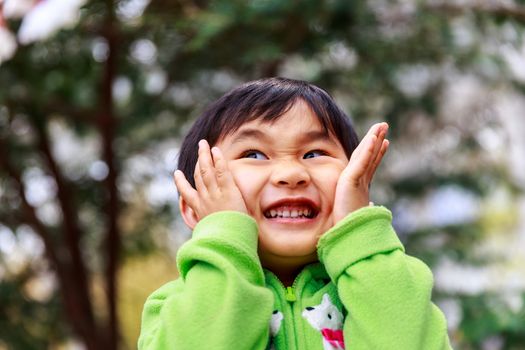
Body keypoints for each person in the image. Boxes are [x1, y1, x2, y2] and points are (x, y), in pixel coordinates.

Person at [138, 77, 452, 349]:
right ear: (194, 207)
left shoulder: (386, 281)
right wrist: (224, 237)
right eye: (254, 154)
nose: (291, 173)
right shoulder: (173, 305)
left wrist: (358, 235)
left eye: (314, 153)